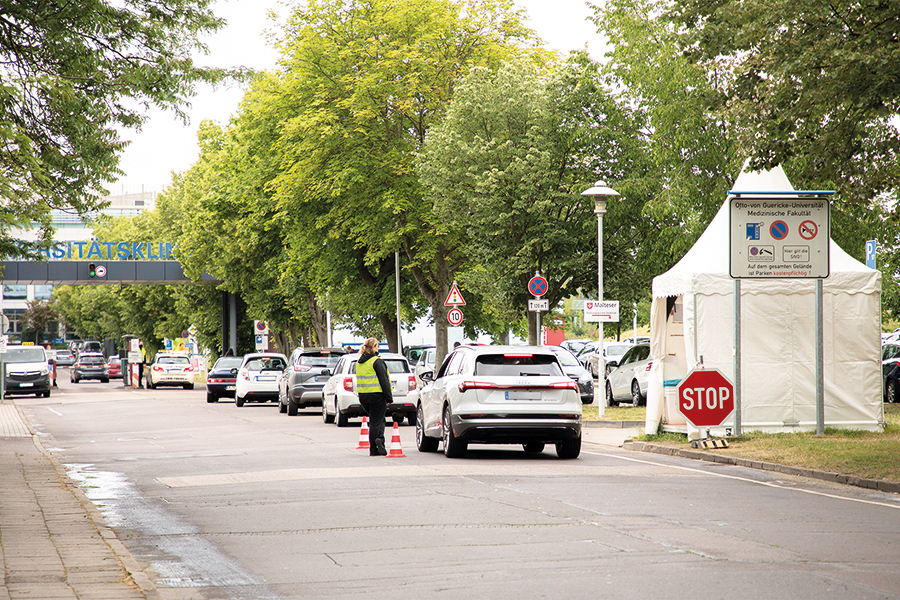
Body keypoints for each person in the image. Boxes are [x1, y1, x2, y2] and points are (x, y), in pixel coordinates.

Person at [356, 337, 393, 456]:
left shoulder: (359, 362)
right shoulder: (376, 361)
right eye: (377, 346)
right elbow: (384, 381)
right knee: (375, 422)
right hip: (377, 396)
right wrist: (389, 398)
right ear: (373, 347)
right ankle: (374, 448)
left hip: (363, 396)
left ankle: (380, 440)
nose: (378, 348)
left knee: (378, 420)